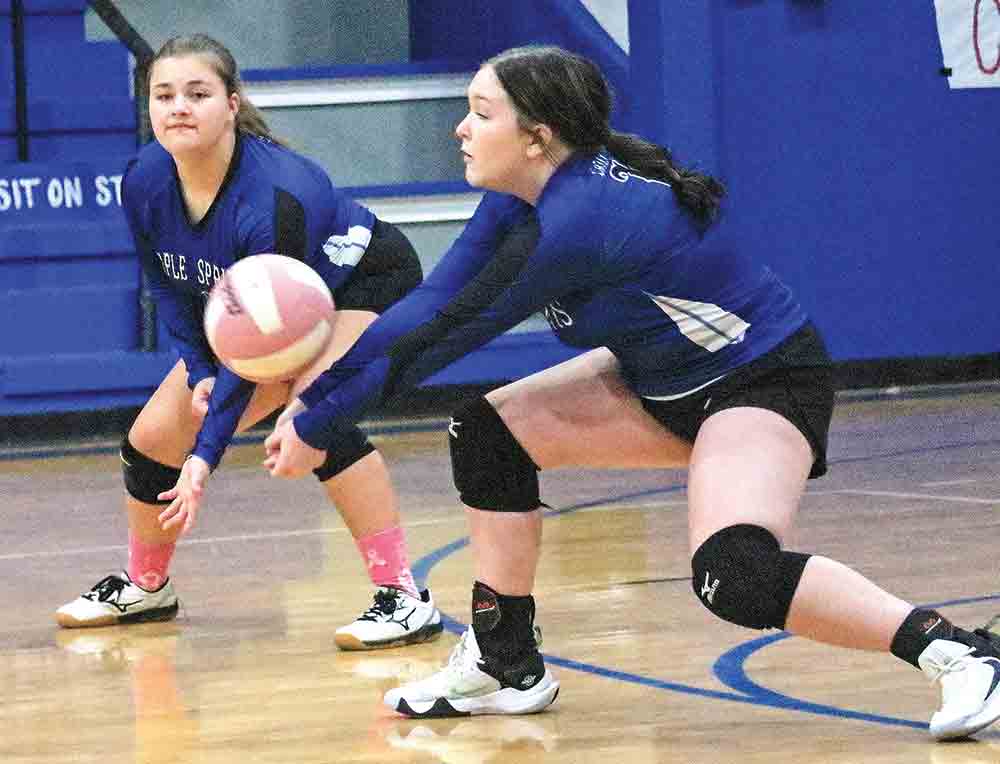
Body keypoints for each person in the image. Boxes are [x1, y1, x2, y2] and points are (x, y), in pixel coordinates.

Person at [261, 45, 1000, 738]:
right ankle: (503, 663)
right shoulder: (520, 196)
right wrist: (316, 398)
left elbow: (447, 334)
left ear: (536, 137)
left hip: (760, 382)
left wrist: (321, 422)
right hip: (659, 380)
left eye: (481, 113)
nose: (461, 127)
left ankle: (962, 654)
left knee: (733, 577)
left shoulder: (581, 221)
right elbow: (423, 313)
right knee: (487, 434)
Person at [55, 33, 443, 652]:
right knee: (151, 440)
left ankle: (404, 596)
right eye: (165, 95)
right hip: (262, 313)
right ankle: (148, 585)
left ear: (232, 104)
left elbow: (263, 345)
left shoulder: (273, 199)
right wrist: (198, 368)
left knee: (315, 414)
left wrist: (205, 457)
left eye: (198, 93)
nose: (179, 107)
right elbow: (170, 286)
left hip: (363, 283)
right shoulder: (144, 178)